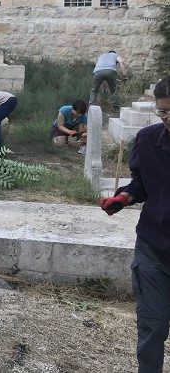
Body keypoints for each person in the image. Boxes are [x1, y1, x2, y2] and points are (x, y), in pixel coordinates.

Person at [98, 76, 170, 373]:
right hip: (154, 249)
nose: (168, 119)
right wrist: (124, 197)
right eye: (164, 112)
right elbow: (141, 183)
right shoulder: (148, 140)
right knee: (152, 328)